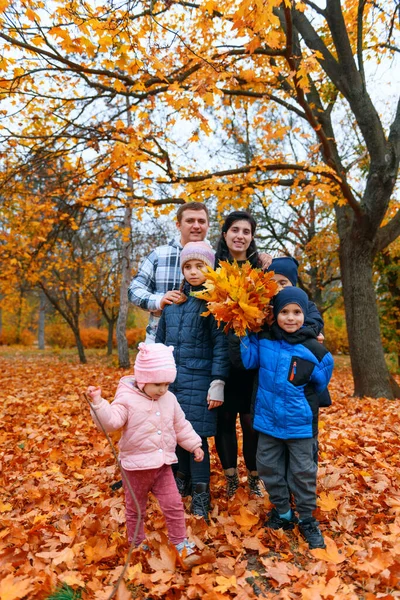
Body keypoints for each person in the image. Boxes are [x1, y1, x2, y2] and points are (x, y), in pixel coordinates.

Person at [229, 287, 334, 549]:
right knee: (267, 467)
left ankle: (307, 518)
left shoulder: (315, 350)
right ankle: (283, 512)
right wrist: (240, 331)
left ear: (304, 315)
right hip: (268, 421)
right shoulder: (264, 340)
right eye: (284, 312)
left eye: (296, 312)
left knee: (302, 472)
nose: (290, 318)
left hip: (299, 425)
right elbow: (246, 359)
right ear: (274, 315)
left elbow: (320, 382)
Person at [87, 343, 204, 555]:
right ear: (142, 379)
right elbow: (111, 422)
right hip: (135, 468)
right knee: (136, 510)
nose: (163, 389)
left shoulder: (169, 399)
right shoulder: (127, 399)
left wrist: (194, 444)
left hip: (162, 466)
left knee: (174, 504)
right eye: (157, 383)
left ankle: (179, 542)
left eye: (167, 384)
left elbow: (181, 425)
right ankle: (137, 543)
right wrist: (98, 404)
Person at [155, 241, 231, 521]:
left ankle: (201, 494)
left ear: (210, 268)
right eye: (188, 266)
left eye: (200, 266)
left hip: (200, 383)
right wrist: (153, 378)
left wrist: (218, 382)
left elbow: (220, 347)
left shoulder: (213, 306)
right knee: (175, 435)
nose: (193, 271)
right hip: (171, 384)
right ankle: (181, 481)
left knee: (196, 438)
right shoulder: (173, 305)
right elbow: (159, 344)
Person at [213, 211, 267, 498]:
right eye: (235, 230)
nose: (240, 235)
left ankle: (255, 477)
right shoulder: (212, 268)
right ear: (225, 234)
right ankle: (231, 477)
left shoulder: (260, 268)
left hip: (251, 357)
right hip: (221, 355)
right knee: (224, 421)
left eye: (246, 231)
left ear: (251, 237)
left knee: (250, 421)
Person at [128, 202, 210, 343]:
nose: (196, 225)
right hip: (159, 342)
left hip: (200, 348)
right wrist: (159, 300)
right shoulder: (159, 255)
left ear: (208, 225)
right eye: (190, 220)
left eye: (201, 221)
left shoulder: (215, 258)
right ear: (178, 225)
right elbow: (134, 290)